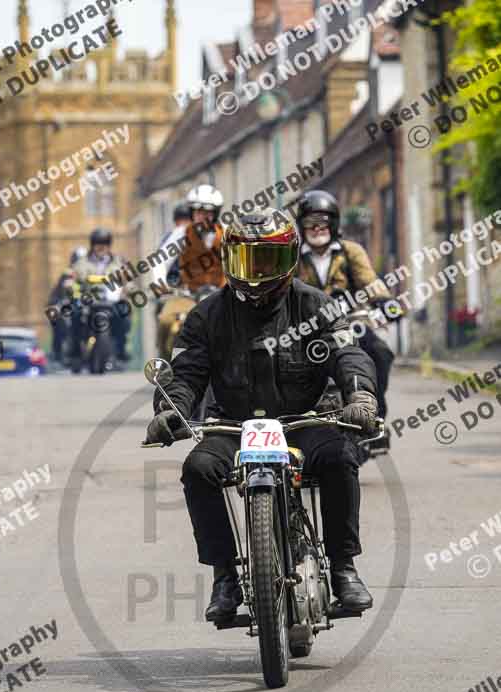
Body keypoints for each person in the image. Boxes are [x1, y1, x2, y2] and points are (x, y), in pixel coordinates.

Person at [145, 208, 379, 621]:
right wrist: (172, 410)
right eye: (244, 260)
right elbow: (187, 375)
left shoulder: (315, 306)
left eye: (266, 260)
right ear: (229, 261)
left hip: (304, 420)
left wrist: (359, 398)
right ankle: (224, 577)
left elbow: (348, 355)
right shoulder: (206, 316)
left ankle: (344, 567)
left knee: (341, 457)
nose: (255, 273)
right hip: (234, 425)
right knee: (198, 468)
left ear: (289, 259)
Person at [297, 190, 398, 419]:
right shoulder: (293, 256)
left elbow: (369, 281)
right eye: (310, 222)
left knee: (380, 353)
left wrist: (386, 303)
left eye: (323, 222)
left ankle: (375, 414)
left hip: (350, 324)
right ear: (301, 226)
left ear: (333, 224)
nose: (317, 228)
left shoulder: (350, 251)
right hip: (305, 329)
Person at [155, 186, 225, 359]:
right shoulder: (181, 234)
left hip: (221, 295)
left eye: (208, 213)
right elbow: (160, 260)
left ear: (215, 214)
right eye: (198, 212)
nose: (203, 217)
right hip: (188, 294)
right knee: (165, 321)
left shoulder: (227, 233)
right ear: (192, 213)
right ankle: (165, 367)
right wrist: (160, 282)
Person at [71, 228, 131, 370]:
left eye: (104, 244)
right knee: (75, 314)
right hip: (88, 299)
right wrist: (74, 282)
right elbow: (74, 275)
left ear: (109, 245)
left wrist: (129, 289)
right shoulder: (82, 262)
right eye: (98, 244)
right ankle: (74, 352)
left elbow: (128, 280)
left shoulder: (119, 262)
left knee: (124, 314)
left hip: (111, 301)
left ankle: (121, 349)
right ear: (92, 245)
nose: (101, 247)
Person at [47, 247, 87, 364]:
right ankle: (58, 352)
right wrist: (55, 304)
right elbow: (57, 293)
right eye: (77, 261)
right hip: (72, 306)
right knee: (57, 319)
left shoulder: (93, 272)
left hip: (90, 305)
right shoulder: (67, 274)